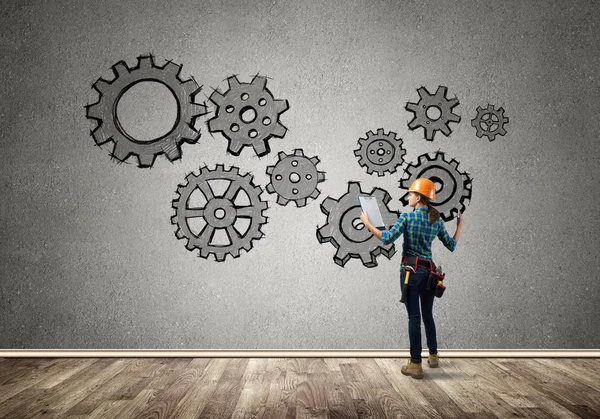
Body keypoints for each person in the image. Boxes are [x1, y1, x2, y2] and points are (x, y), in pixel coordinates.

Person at [359, 177, 464, 379]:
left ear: (418, 197)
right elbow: (451, 245)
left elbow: (387, 238)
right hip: (430, 274)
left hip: (410, 272)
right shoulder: (436, 220)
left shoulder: (408, 218)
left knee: (414, 317)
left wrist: (367, 223)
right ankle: (433, 356)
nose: (408, 196)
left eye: (410, 194)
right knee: (428, 316)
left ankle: (415, 364)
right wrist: (459, 226)